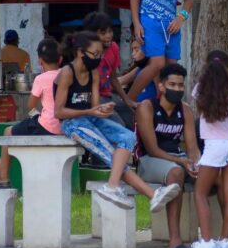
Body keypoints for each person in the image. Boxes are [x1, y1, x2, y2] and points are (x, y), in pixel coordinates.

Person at [54, 31, 180, 212]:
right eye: (94, 54)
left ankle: (119, 187)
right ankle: (147, 193)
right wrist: (90, 111)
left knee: (128, 136)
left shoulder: (94, 72)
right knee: (114, 157)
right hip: (72, 123)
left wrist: (104, 109)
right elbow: (58, 112)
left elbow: (95, 107)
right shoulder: (67, 73)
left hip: (90, 118)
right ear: (80, 52)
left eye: (100, 55)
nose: (98, 58)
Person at [0, 38, 61, 190]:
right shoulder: (66, 75)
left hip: (47, 126)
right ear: (61, 59)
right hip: (63, 126)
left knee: (7, 133)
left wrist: (37, 114)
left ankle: (3, 179)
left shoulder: (40, 78)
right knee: (13, 137)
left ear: (40, 61)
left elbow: (31, 105)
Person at [182, 50, 228, 248]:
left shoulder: (200, 89)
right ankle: (225, 242)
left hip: (214, 146)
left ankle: (207, 243)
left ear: (206, 66)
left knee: (200, 193)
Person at [135, 63, 199, 248]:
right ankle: (175, 241)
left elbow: (192, 148)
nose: (177, 89)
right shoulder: (146, 107)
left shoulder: (185, 110)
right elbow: (152, 149)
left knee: (211, 174)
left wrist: (196, 163)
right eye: (172, 84)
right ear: (161, 86)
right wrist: (182, 162)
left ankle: (218, 239)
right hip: (148, 161)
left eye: (180, 85)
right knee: (176, 173)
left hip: (177, 160)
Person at [83, 12, 137, 127]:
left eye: (110, 31)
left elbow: (113, 78)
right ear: (92, 34)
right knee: (120, 125)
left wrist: (126, 100)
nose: (108, 36)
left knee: (133, 120)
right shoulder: (86, 52)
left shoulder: (113, 48)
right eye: (103, 33)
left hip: (108, 96)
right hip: (92, 98)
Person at [118, 38, 157, 103]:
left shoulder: (154, 70)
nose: (133, 54)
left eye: (137, 50)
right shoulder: (139, 68)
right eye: (132, 50)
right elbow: (122, 80)